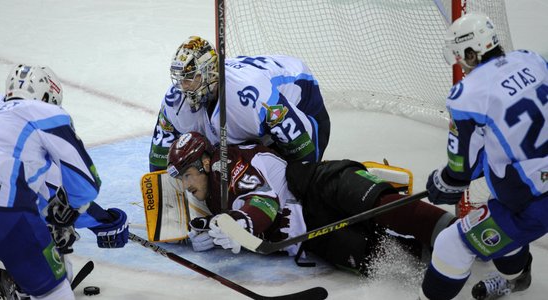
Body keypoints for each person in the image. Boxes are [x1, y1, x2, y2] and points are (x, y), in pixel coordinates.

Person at [165, 131, 456, 276]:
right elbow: (238, 221)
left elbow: (264, 203)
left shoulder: (226, 164)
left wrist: (240, 223)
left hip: (313, 185)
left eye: (188, 175)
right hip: (309, 235)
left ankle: (448, 229)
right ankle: (439, 259)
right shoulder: (211, 194)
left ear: (205, 161)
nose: (187, 186)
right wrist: (209, 236)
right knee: (370, 256)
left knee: (376, 203)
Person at [419, 13, 548, 300]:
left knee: (452, 244)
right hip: (535, 188)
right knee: (495, 212)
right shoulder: (531, 60)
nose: (462, 67)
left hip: (533, 202)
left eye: (460, 59)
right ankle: (517, 278)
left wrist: (442, 184)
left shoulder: (467, 94)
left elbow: (459, 169)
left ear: (470, 52)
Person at [0, 64, 130, 300]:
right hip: (7, 213)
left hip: (8, 204)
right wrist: (101, 220)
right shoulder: (44, 114)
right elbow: (84, 184)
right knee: (58, 286)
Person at [149, 36, 331, 171]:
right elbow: (160, 154)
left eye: (191, 79)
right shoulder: (174, 99)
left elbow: (302, 145)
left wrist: (302, 183)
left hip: (301, 91)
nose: (184, 87)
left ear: (210, 73)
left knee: (286, 177)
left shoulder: (251, 97)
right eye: (181, 79)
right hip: (255, 91)